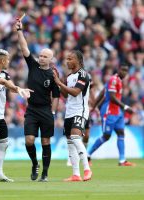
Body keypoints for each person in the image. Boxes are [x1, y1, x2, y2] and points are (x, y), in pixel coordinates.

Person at [16, 18, 60, 182]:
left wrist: (53, 112)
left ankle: (45, 173)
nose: (41, 58)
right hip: (32, 109)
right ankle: (35, 164)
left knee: (45, 141)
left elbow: (56, 95)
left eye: (45, 56)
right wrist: (19, 31)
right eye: (40, 55)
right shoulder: (33, 65)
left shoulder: (53, 75)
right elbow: (24, 47)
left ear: (50, 59)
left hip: (46, 110)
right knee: (29, 141)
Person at [0, 48, 32, 183]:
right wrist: (17, 88)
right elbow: (3, 82)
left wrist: (20, 89)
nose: (8, 61)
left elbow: (10, 86)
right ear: (2, 60)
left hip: (0, 115)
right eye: (7, 59)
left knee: (4, 144)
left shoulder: (5, 74)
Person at [53, 50, 92, 182]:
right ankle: (76, 174)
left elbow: (75, 92)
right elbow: (65, 95)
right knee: (70, 143)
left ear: (78, 61)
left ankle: (87, 169)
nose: (67, 61)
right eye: (67, 59)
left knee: (75, 138)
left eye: (70, 59)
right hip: (69, 112)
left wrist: (59, 82)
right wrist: (57, 83)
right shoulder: (69, 77)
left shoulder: (84, 75)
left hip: (79, 111)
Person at [87, 63, 135, 166]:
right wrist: (125, 107)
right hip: (109, 112)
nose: (125, 73)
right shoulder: (113, 80)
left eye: (126, 71)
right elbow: (112, 97)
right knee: (106, 136)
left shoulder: (118, 81)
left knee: (121, 133)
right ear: (118, 69)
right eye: (123, 70)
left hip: (118, 113)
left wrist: (95, 106)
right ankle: (87, 155)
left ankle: (122, 160)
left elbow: (103, 93)